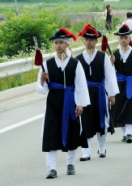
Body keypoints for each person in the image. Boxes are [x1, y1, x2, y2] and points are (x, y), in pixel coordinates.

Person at [36, 27, 90, 179]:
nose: (58, 45)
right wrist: (42, 80)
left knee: (72, 132)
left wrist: (80, 104)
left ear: (67, 45)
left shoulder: (74, 64)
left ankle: (70, 164)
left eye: (61, 43)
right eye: (56, 43)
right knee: (51, 133)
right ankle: (52, 168)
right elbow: (42, 90)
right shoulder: (47, 64)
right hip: (53, 103)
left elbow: (80, 85)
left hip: (71, 101)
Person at [75, 24, 119, 161]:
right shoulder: (78, 59)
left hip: (99, 93)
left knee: (102, 120)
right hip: (84, 93)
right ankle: (86, 151)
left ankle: (101, 148)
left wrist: (111, 94)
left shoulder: (102, 57)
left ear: (96, 41)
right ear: (84, 41)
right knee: (85, 121)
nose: (89, 42)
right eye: (87, 39)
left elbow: (110, 76)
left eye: (92, 39)